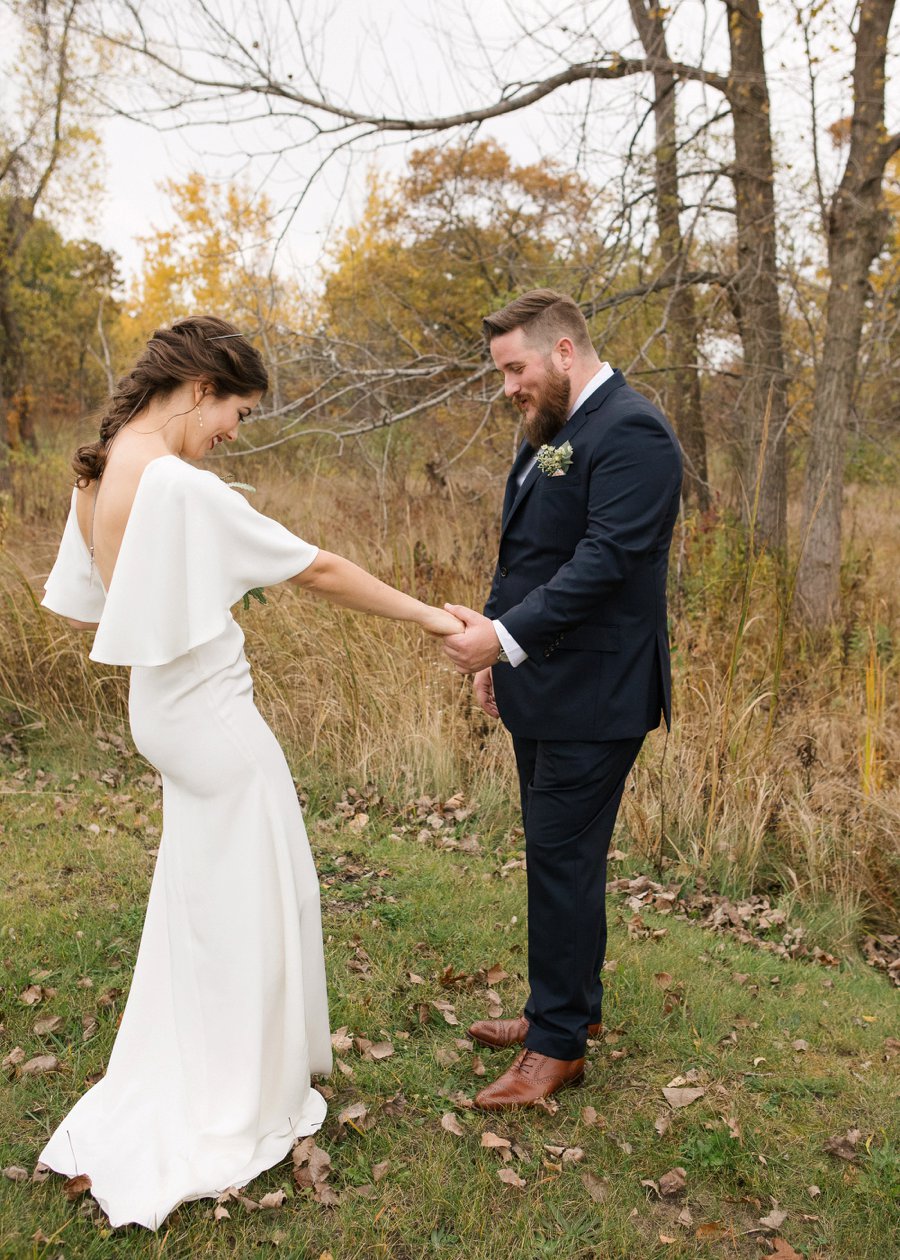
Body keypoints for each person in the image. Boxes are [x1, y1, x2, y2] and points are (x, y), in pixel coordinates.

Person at [38, 316, 461, 1228]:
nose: (234, 431)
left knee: (206, 895)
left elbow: (100, 601)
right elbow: (322, 569)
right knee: (259, 896)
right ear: (197, 389)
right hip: (213, 721)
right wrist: (432, 618)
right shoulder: (182, 487)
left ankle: (205, 1059)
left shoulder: (104, 469)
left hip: (161, 710)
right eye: (236, 410)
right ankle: (237, 1094)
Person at [442, 290, 683, 1110]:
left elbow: (608, 561)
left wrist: (502, 639)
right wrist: (497, 654)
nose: (507, 385)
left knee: (561, 858)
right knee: (556, 856)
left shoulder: (633, 431)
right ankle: (565, 1009)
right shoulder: (551, 431)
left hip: (599, 692)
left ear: (565, 352)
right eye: (501, 372)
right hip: (542, 683)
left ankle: (557, 1048)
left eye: (515, 368)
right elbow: (530, 555)